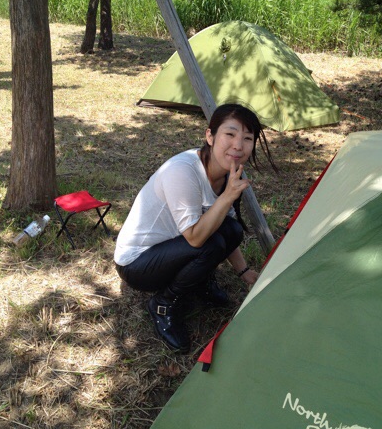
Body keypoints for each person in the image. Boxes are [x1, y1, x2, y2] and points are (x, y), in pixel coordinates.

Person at [114, 104, 277, 353]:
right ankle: (163, 304)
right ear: (210, 136)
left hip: (171, 248)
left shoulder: (227, 174)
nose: (238, 145)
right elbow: (194, 238)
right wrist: (227, 196)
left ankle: (198, 281)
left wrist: (243, 271)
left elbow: (225, 226)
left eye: (247, 138)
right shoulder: (183, 171)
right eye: (230, 134)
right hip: (137, 263)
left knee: (232, 231)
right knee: (210, 244)